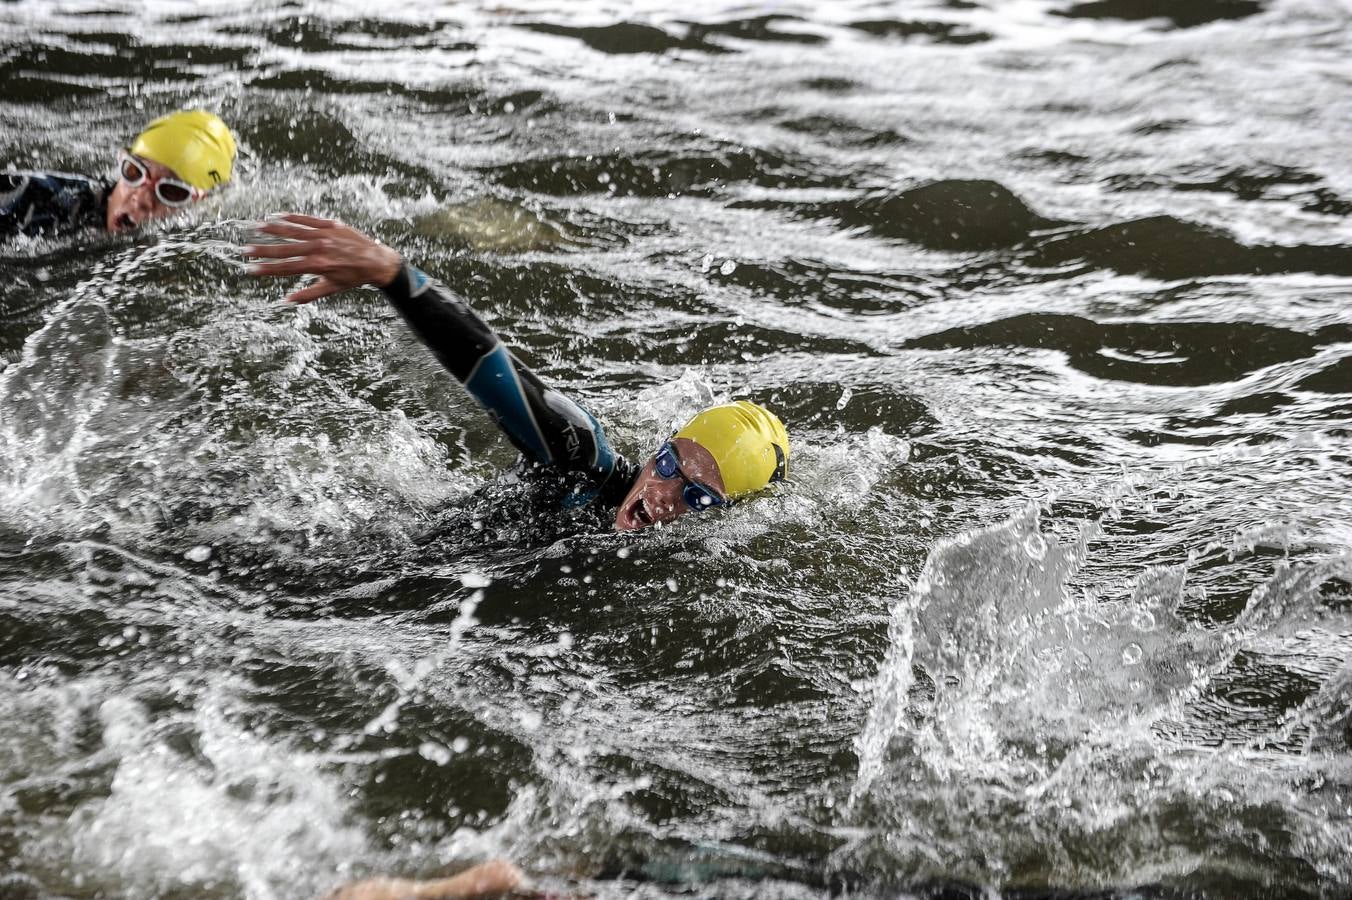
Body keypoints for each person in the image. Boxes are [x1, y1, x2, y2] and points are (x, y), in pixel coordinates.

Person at [243, 215, 789, 532]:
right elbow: (492, 367)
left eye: (697, 497)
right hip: (358, 563)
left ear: (726, 517)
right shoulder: (581, 460)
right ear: (658, 448)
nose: (665, 492)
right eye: (670, 463)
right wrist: (393, 275)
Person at [0, 109, 236, 240]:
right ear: (121, 160)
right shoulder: (37, 197)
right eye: (135, 172)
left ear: (196, 201)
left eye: (170, 191)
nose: (142, 199)